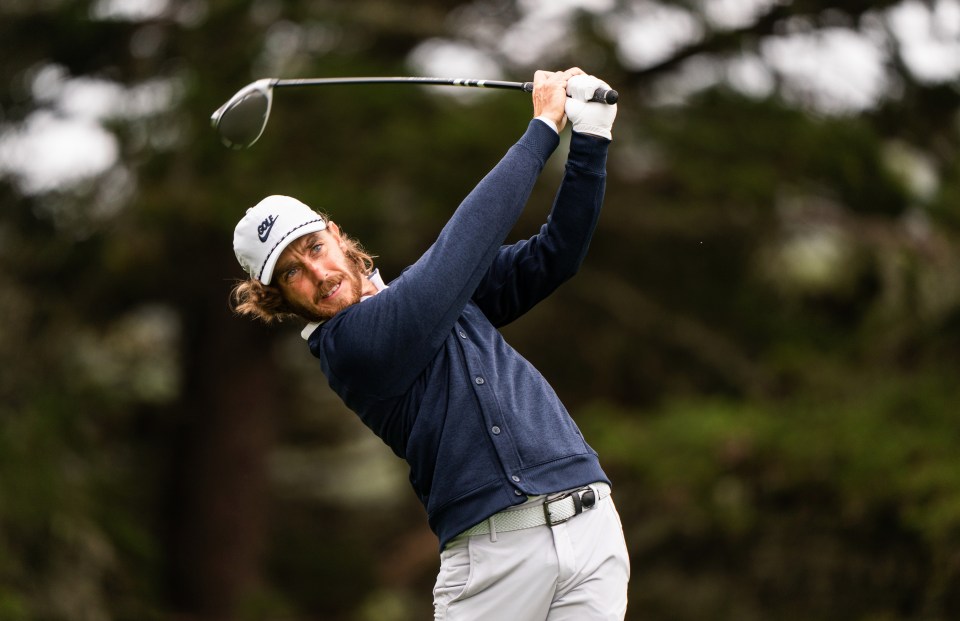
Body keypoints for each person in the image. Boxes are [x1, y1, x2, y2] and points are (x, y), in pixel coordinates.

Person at [230, 67, 629, 620]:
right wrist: (542, 128)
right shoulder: (351, 350)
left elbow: (553, 256)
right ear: (276, 300)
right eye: (293, 272)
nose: (319, 272)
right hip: (495, 561)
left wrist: (591, 139)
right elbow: (456, 257)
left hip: (590, 525)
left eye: (316, 246)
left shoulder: (436, 295)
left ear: (336, 233)